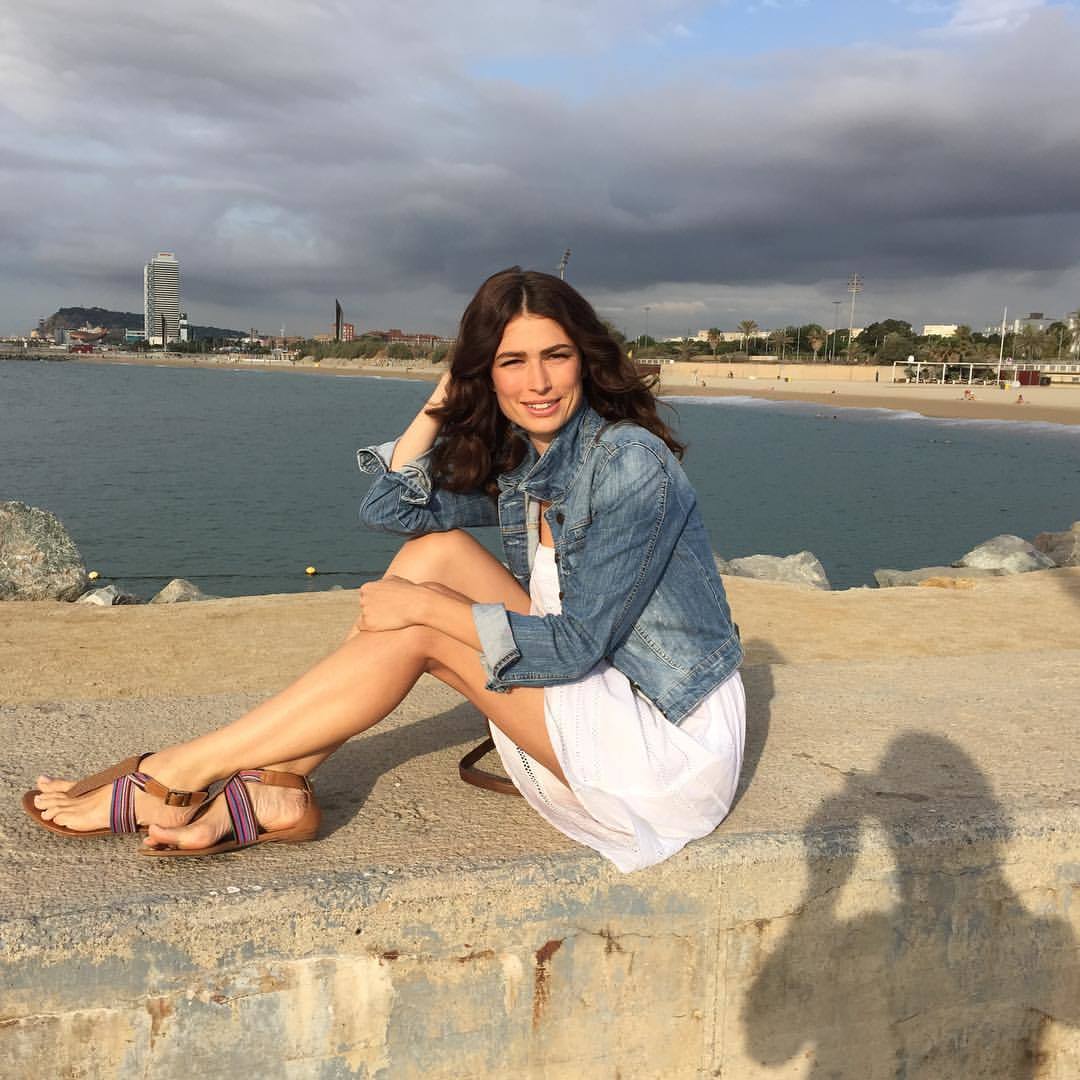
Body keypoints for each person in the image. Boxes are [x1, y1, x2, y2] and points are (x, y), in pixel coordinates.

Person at [23, 268, 745, 873]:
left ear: (585, 358)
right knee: (432, 556)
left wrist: (426, 612)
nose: (538, 382)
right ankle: (277, 784)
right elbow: (390, 509)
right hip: (598, 690)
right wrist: (441, 399)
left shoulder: (626, 461)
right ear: (484, 372)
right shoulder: (532, 461)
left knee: (417, 622)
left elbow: (577, 647)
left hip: (662, 743)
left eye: (555, 356)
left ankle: (178, 771)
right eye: (511, 362)